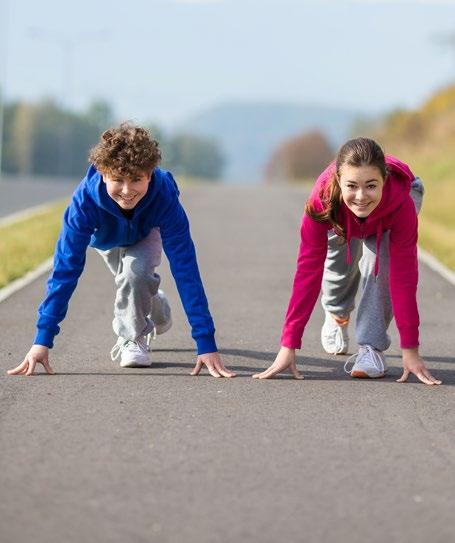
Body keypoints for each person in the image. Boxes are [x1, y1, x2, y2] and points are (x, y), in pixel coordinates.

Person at [7, 123, 235, 379]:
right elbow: (65, 271)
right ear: (103, 174)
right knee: (135, 282)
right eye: (117, 179)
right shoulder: (83, 204)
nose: (127, 191)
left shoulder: (165, 197)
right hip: (105, 239)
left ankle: (133, 340)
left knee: (135, 273)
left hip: (147, 232)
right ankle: (153, 298)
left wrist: (205, 343)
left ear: (150, 174)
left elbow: (186, 269)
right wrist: (42, 340)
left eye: (137, 179)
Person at [253, 137, 441, 385]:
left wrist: (411, 351)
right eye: (352, 185)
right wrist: (288, 345)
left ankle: (370, 348)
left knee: (379, 263)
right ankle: (337, 312)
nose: (361, 196)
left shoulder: (401, 203)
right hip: (339, 213)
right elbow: (307, 273)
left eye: (371, 186)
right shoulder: (321, 201)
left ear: (384, 180)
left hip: (395, 204)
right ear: (338, 181)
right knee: (338, 264)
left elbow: (403, 277)